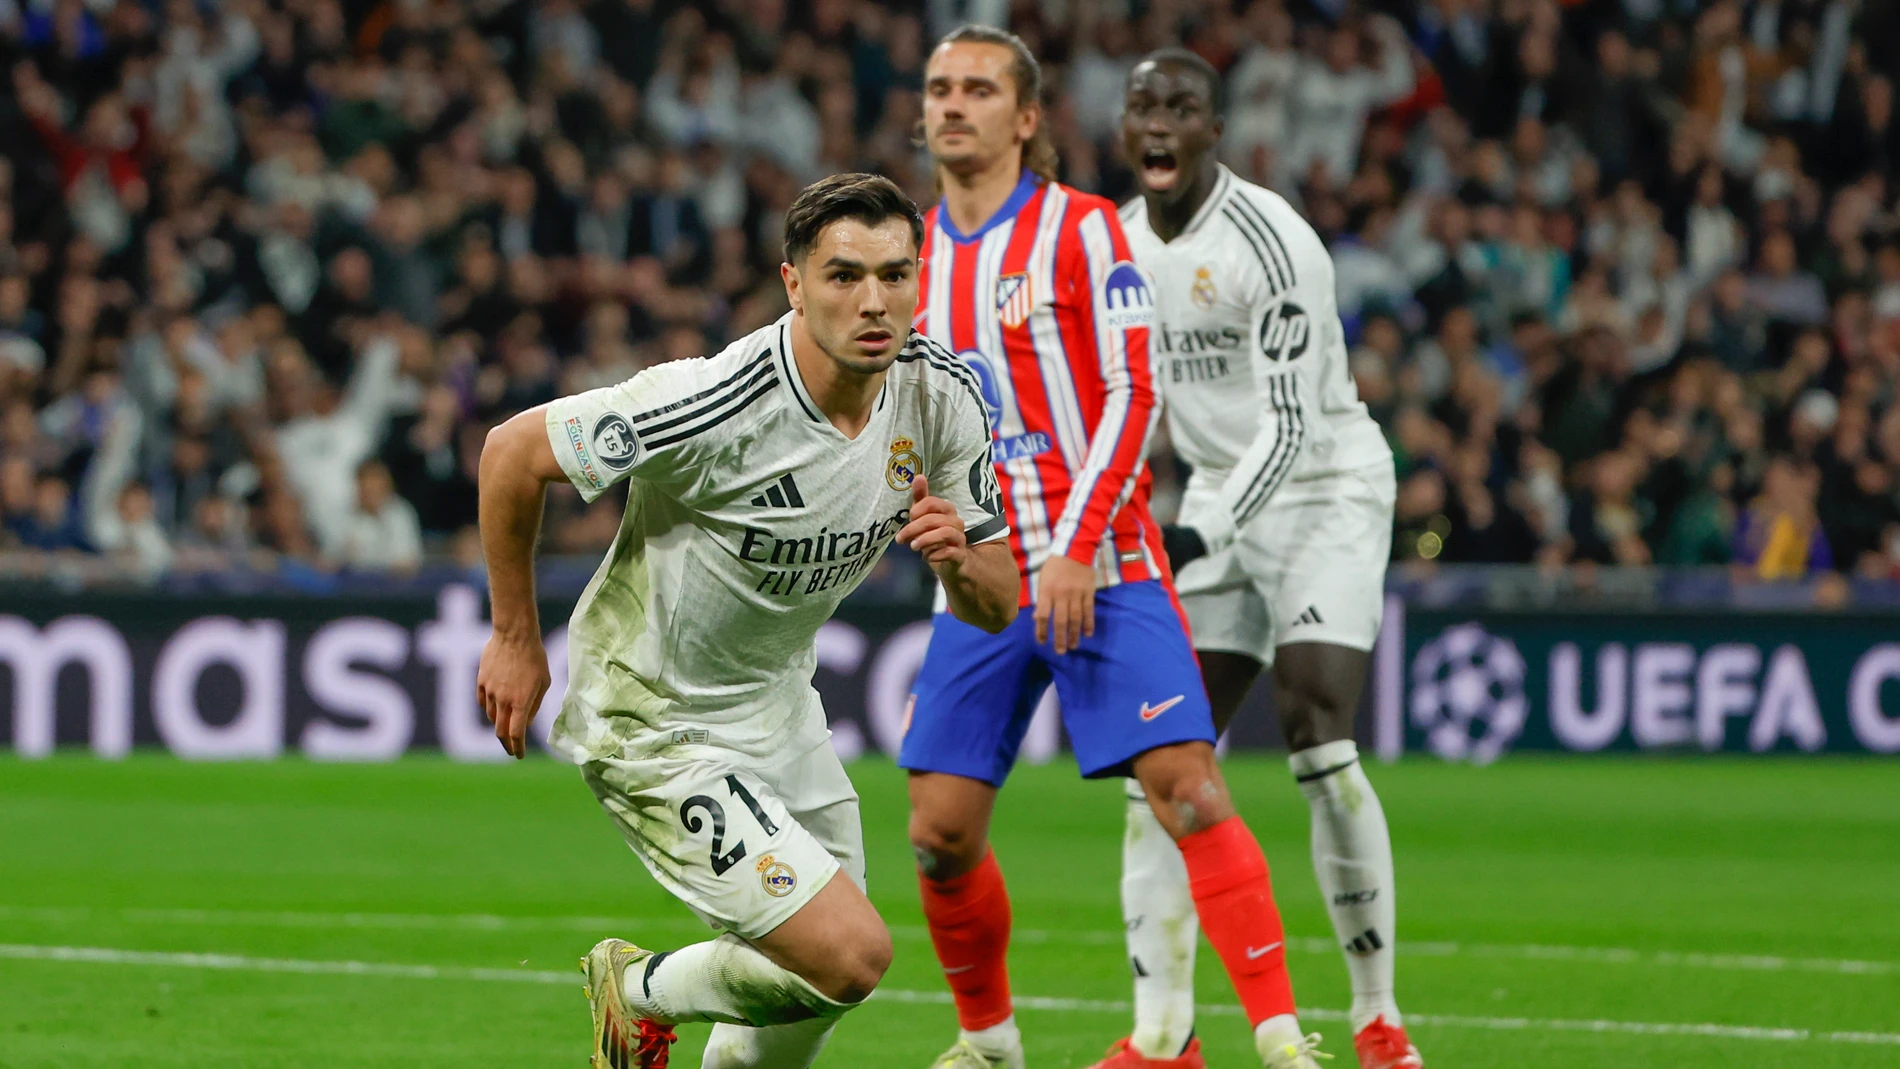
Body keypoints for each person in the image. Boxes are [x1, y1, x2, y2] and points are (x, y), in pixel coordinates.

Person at [474, 173, 1019, 1069]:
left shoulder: (942, 396)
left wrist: (961, 557)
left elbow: (995, 606)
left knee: (811, 991)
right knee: (852, 953)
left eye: (895, 274)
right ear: (793, 284)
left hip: (776, 702)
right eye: (843, 276)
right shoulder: (714, 400)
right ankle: (637, 987)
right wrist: (514, 635)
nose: (874, 301)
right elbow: (511, 453)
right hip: (652, 713)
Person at [898, 26, 1325, 1069]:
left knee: (1185, 783)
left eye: (979, 90)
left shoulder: (1084, 231)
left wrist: (1078, 545)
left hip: (1104, 562)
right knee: (938, 832)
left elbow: (1136, 394)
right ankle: (988, 1039)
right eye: (939, 89)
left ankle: (1278, 1040)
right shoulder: (906, 255)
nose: (954, 105)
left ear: (1026, 117)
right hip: (983, 577)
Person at [1113, 51, 1417, 1069]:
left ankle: (1377, 1018)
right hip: (1209, 491)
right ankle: (1163, 1039)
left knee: (1315, 732)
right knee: (1158, 757)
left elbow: (1287, 426)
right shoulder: (1112, 243)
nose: (1159, 124)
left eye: (1181, 109)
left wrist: (1198, 533)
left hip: (1322, 487)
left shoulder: (1273, 240)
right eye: (1143, 107)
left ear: (1214, 130)